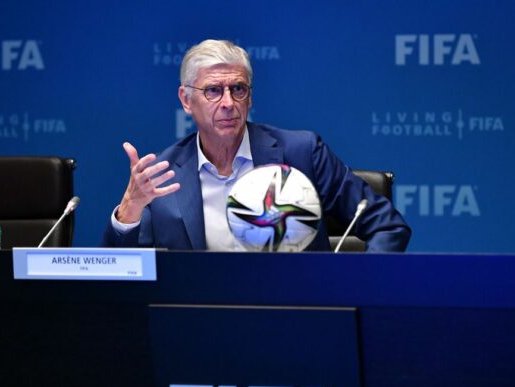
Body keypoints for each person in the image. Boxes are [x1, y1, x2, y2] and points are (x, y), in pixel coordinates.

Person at [103, 39, 411, 252]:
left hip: (297, 317)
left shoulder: (303, 153)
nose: (228, 103)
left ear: (250, 97)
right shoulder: (163, 175)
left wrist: (356, 290)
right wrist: (129, 211)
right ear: (186, 99)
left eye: (238, 89)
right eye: (213, 91)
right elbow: (122, 273)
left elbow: (387, 226)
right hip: (202, 320)